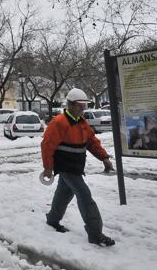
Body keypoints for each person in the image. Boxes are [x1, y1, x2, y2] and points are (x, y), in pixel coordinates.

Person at [41, 88, 116, 247]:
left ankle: (52, 220)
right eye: (80, 105)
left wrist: (104, 158)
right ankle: (95, 234)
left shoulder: (82, 123)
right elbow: (47, 146)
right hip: (66, 167)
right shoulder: (58, 123)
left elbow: (92, 142)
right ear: (70, 104)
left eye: (85, 105)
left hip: (76, 166)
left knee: (64, 193)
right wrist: (48, 168)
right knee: (85, 196)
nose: (83, 108)